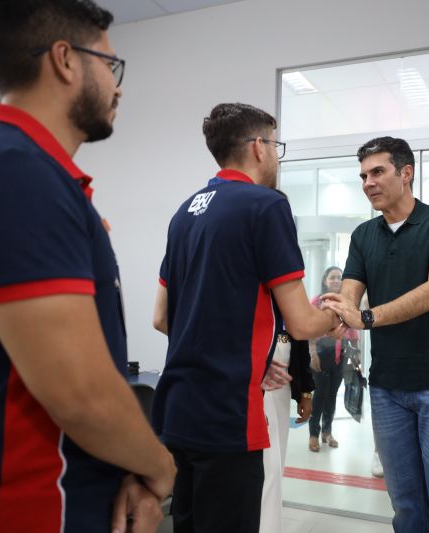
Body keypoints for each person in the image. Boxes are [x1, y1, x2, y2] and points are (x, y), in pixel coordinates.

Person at [0, 2, 175, 532]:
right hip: (12, 512)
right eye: (111, 67)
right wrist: (161, 468)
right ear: (65, 60)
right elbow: (81, 392)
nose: (118, 88)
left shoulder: (33, 175)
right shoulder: (9, 172)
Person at [151, 102, 339, 533]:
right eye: (276, 145)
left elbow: (162, 318)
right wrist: (336, 314)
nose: (276, 155)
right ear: (259, 147)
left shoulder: (185, 212)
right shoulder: (265, 205)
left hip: (179, 407)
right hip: (228, 413)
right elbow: (302, 324)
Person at [321, 136, 429, 533]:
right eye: (362, 175)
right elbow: (350, 297)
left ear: (406, 173)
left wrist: (366, 317)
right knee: (406, 510)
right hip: (389, 387)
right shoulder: (363, 235)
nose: (368, 182)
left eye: (378, 172)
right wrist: (336, 313)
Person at [260, 329, 313, 533]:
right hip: (250, 386)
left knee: (276, 467)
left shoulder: (287, 301)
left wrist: (306, 392)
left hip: (280, 390)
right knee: (268, 469)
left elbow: (301, 340)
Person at [308, 266, 359, 452]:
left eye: (340, 277)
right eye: (333, 277)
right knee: (319, 395)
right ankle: (313, 434)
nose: (337, 280)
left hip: (341, 355)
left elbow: (353, 332)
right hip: (321, 355)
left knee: (332, 395)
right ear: (325, 281)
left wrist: (355, 359)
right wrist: (312, 353)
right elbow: (309, 330)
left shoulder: (347, 302)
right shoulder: (316, 302)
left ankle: (327, 433)